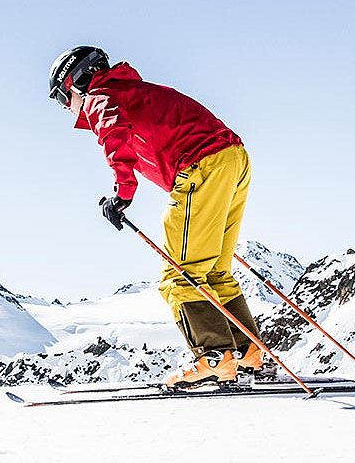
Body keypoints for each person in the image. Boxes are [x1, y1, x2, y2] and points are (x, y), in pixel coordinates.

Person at [49, 46, 267, 388]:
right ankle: (247, 353)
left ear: (75, 82)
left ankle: (214, 358)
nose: (66, 107)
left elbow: (114, 139)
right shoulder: (131, 92)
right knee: (214, 272)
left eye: (62, 98)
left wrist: (122, 195)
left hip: (203, 166)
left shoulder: (100, 97)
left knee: (180, 276)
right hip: (232, 160)